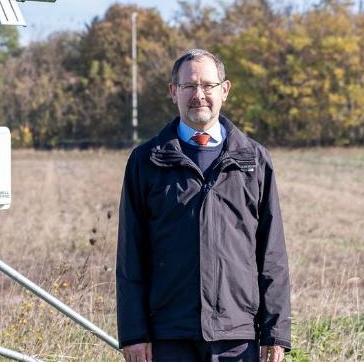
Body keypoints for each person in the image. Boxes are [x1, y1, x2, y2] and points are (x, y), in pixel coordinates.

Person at [116, 49, 291, 362]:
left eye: (208, 85)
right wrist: (134, 333)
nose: (199, 95)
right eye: (189, 86)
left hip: (238, 337)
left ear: (224, 90)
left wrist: (275, 332)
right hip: (169, 336)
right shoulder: (146, 161)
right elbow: (131, 255)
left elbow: (272, 254)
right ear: (174, 92)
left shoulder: (254, 160)